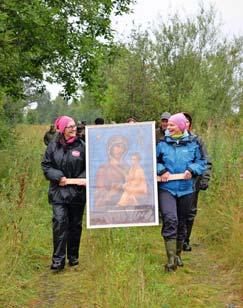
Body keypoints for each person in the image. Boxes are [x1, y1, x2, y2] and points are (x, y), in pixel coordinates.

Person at [156, 113, 206, 272]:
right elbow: (153, 160)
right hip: (167, 189)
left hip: (186, 189)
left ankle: (178, 254)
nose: (168, 127)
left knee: (182, 222)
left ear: (181, 126)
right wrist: (161, 170)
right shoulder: (162, 143)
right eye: (167, 125)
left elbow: (202, 162)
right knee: (170, 219)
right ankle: (170, 259)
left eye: (172, 125)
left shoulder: (194, 143)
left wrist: (192, 170)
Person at [41, 115, 86, 272]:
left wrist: (78, 180)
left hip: (77, 193)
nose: (74, 129)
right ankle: (58, 260)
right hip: (58, 193)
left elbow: (90, 167)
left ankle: (73, 256)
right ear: (62, 129)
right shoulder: (53, 146)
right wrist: (58, 176)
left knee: (75, 225)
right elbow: (46, 166)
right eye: (70, 126)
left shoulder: (82, 146)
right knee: (60, 223)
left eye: (75, 126)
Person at [182, 112, 212, 251]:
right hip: (174, 183)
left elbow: (206, 160)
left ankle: (185, 241)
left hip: (193, 183)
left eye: (187, 122)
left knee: (190, 212)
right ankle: (176, 240)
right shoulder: (170, 140)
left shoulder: (197, 140)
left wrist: (205, 178)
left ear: (190, 124)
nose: (184, 124)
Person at [94, 135, 129, 208]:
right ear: (111, 149)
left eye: (122, 147)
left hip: (128, 206)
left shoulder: (128, 167)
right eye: (117, 146)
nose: (120, 150)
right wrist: (112, 192)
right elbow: (98, 195)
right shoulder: (103, 169)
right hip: (110, 207)